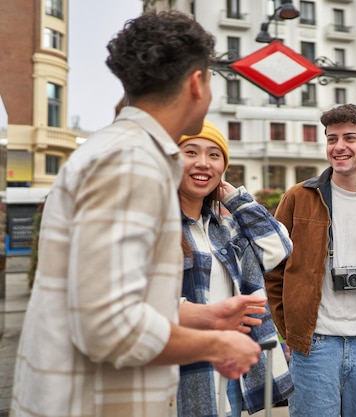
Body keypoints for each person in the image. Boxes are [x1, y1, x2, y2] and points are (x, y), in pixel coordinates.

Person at [11, 11, 261, 417]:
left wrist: (205, 316)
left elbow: (105, 294)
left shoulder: (120, 151)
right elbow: (107, 327)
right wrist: (217, 345)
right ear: (197, 83)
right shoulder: (133, 162)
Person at [265, 103, 356, 417]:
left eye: (349, 138)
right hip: (314, 345)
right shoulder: (297, 198)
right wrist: (289, 329)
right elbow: (272, 270)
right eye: (332, 139)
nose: (339, 147)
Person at [177, 120, 294, 416]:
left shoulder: (226, 228)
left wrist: (236, 199)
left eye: (214, 156)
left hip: (233, 371)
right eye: (191, 152)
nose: (203, 163)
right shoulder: (156, 226)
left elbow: (278, 248)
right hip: (187, 372)